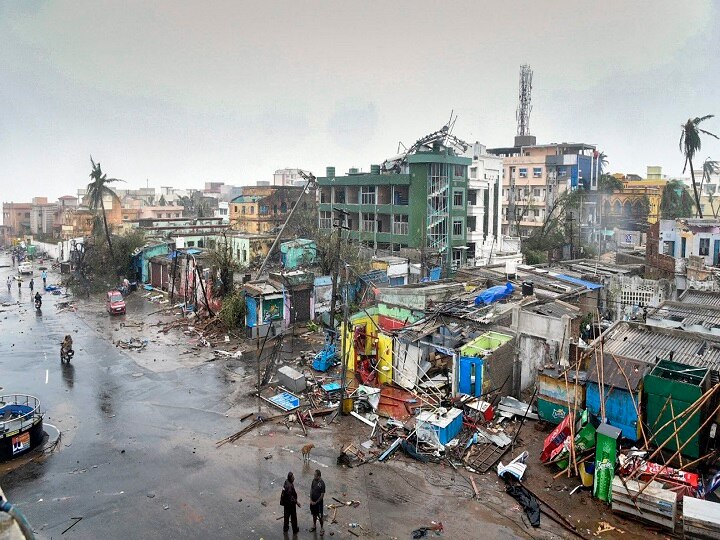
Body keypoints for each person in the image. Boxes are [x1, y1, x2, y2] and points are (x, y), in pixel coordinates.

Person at [282, 471, 300, 535]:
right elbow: (291, 497)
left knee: (286, 517)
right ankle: (295, 530)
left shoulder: (286, 482)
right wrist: (297, 502)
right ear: (290, 478)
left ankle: (285, 528)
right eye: (293, 477)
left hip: (286, 504)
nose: (294, 478)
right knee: (293, 517)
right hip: (290, 505)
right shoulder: (289, 486)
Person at [309, 469, 326, 535]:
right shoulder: (313, 481)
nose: (314, 476)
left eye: (315, 475)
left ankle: (322, 528)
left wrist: (316, 502)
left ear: (319, 476)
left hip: (318, 504)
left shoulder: (322, 483)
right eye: (314, 475)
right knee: (314, 514)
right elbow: (311, 489)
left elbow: (322, 495)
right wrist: (310, 499)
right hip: (312, 502)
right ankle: (314, 526)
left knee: (320, 516)